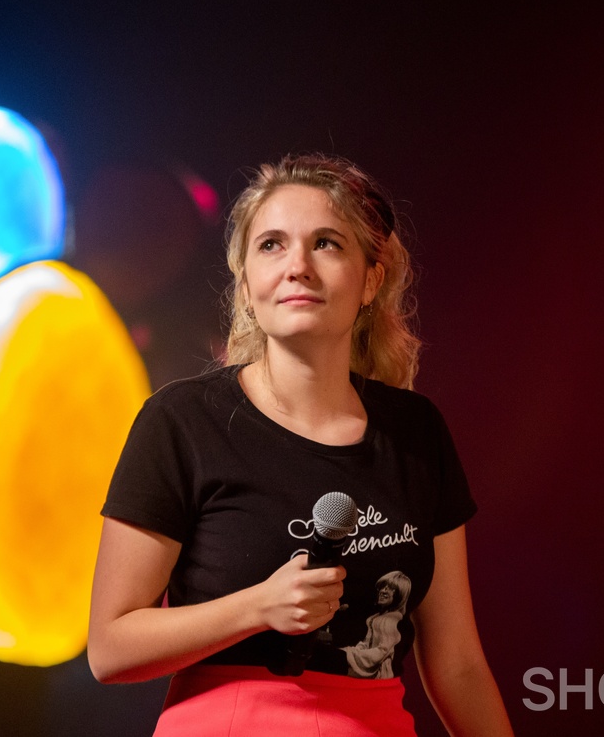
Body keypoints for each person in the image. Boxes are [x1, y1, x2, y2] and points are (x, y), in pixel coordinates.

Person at [88, 153, 513, 736]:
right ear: (245, 283)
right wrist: (257, 606)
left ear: (370, 280)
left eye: (327, 244)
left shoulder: (415, 433)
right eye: (271, 245)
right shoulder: (183, 420)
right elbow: (110, 648)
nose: (298, 267)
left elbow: (459, 664)